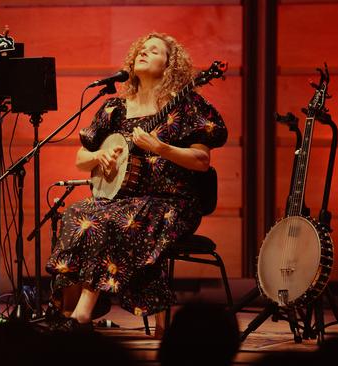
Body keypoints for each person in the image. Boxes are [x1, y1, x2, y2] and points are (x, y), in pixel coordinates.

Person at [45, 32, 227, 335]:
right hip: (122, 202)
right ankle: (66, 308)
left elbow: (201, 161)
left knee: (106, 219)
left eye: (154, 51)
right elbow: (81, 157)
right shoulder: (114, 108)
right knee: (76, 213)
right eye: (141, 49)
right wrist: (100, 155)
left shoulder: (186, 105)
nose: (143, 53)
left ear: (170, 65)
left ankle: (80, 317)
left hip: (171, 203)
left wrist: (161, 148)